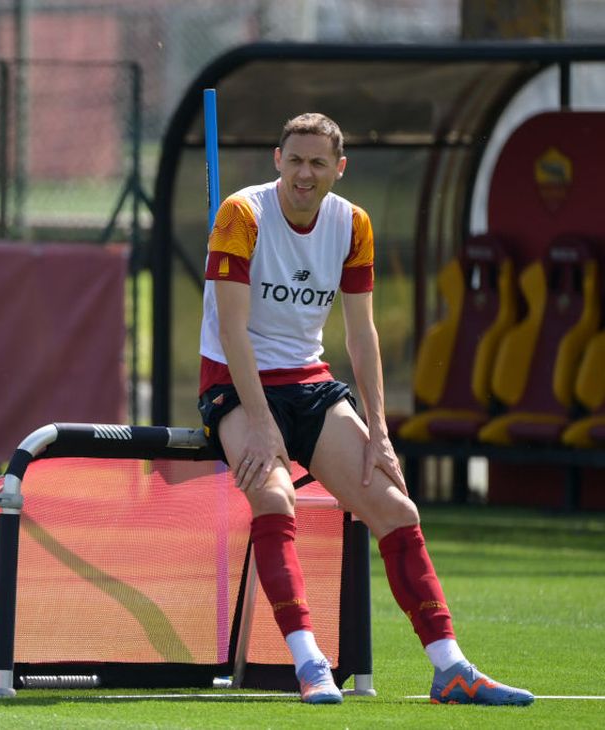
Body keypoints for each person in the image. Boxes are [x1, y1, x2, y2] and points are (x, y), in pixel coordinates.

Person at [197, 112, 534, 706]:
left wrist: (379, 432)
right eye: (295, 159)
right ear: (277, 159)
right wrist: (264, 426)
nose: (305, 173)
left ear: (339, 168)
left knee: (395, 506)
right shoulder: (241, 214)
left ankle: (450, 667)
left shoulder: (353, 223)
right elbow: (231, 331)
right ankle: (310, 664)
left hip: (312, 382)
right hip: (237, 382)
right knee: (275, 498)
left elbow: (362, 336)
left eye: (318, 163)